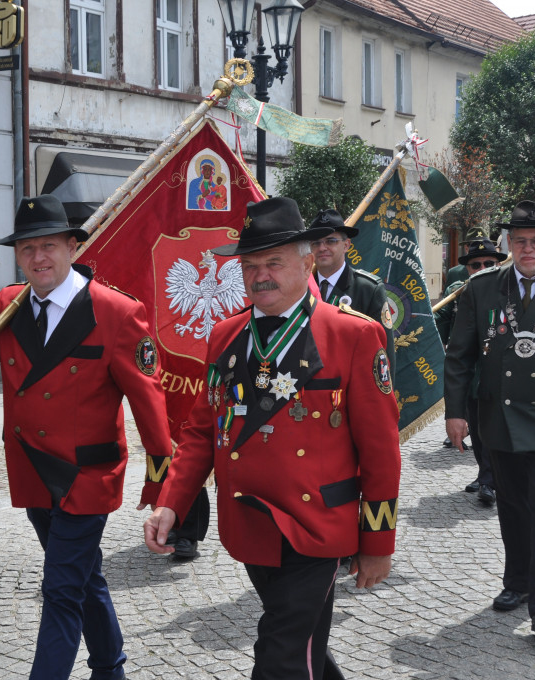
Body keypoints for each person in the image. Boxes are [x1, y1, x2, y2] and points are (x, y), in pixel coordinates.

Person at [0, 195, 173, 680]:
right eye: (26, 249)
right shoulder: (9, 305)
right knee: (83, 578)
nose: (38, 258)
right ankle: (110, 667)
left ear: (72, 247)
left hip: (88, 474)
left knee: (60, 589)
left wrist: (164, 486)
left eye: (48, 246)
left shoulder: (117, 312)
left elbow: (150, 403)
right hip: (34, 470)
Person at [144, 196, 401, 679]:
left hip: (319, 526)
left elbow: (381, 450)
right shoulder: (224, 335)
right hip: (250, 520)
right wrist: (171, 502)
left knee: (281, 653)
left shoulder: (353, 335)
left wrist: (378, 541)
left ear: (307, 262)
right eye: (250, 264)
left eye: (274, 262)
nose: (260, 274)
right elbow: (203, 430)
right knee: (304, 643)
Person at [444, 199, 535, 636]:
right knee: (512, 506)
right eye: (520, 240)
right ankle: (519, 582)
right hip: (500, 414)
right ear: (508, 243)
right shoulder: (482, 288)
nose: (527, 248)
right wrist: (455, 413)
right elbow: (459, 355)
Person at [435, 237, 505, 505]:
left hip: (499, 372)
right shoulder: (458, 290)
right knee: (477, 429)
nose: (482, 267)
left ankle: (491, 479)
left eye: (489, 263)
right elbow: (439, 327)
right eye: (475, 265)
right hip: (470, 372)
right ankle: (486, 474)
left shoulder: (506, 289)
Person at [309, 208, 395, 374]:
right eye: (316, 243)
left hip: (353, 384)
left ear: (346, 245)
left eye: (331, 241)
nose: (322, 248)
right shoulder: (301, 288)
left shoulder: (368, 289)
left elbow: (384, 352)